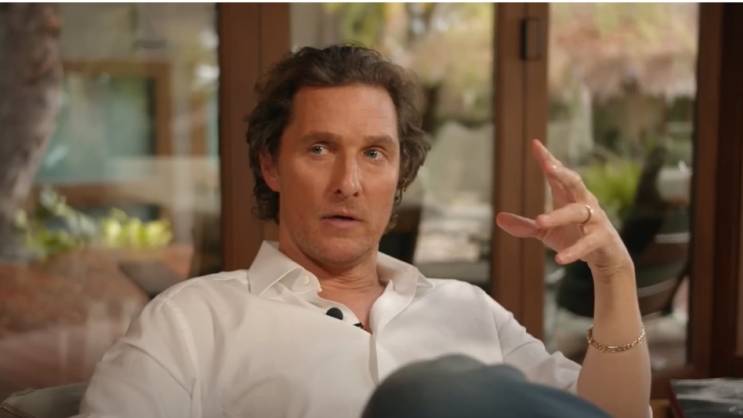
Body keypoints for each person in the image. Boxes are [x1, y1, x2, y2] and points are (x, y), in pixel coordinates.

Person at [75, 45, 650, 418]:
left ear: (400, 175)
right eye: (320, 149)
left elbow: (610, 416)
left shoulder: (470, 310)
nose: (348, 183)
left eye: (374, 153)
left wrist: (614, 275)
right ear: (271, 165)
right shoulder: (190, 322)